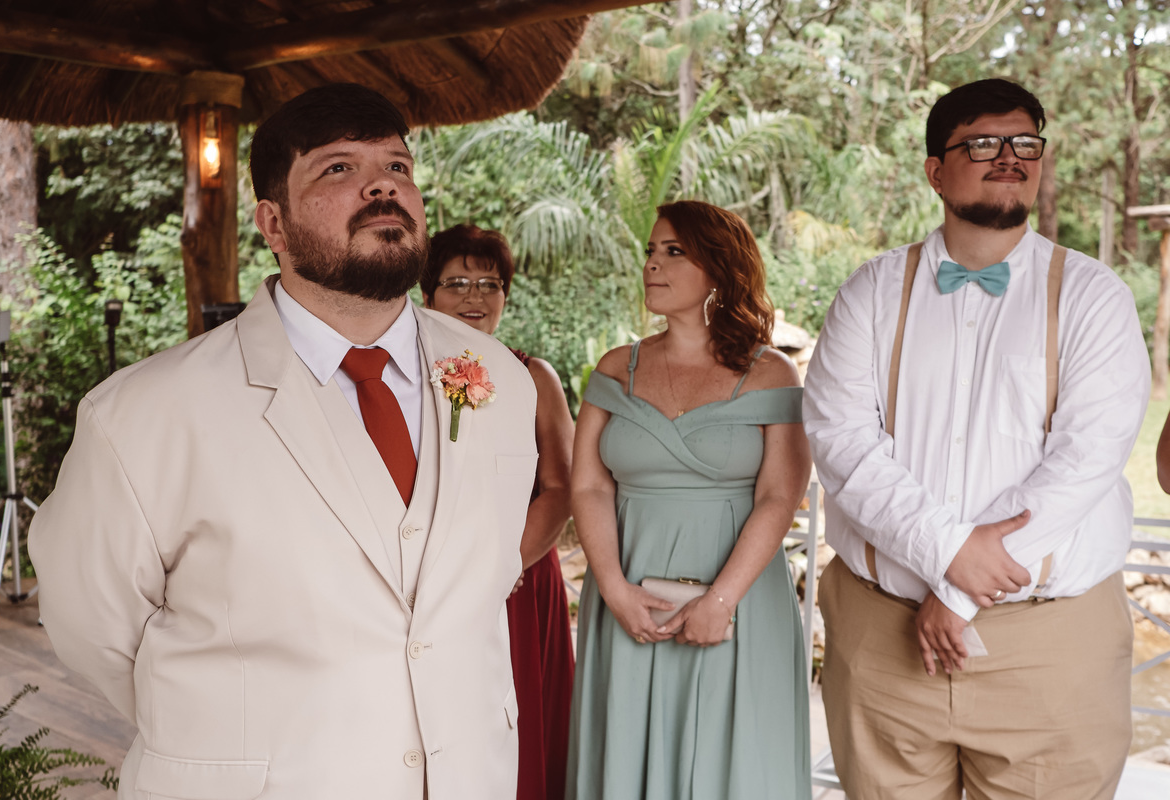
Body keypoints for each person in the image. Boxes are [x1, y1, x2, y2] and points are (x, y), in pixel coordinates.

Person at [28, 84, 538, 800]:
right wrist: (224, 728)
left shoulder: (501, 384)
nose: (384, 184)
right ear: (273, 222)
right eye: (338, 168)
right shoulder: (143, 413)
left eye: (398, 165)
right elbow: (93, 628)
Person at [803, 78, 1149, 799]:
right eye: (983, 143)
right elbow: (841, 444)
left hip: (1050, 652)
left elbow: (1086, 459)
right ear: (935, 169)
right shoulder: (868, 293)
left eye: (1026, 144)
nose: (1009, 158)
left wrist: (956, 593)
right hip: (882, 642)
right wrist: (949, 553)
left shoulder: (1094, 296)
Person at [566, 200, 812, 799]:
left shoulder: (770, 373)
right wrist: (615, 590)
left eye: (674, 251)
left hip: (740, 601)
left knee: (738, 762)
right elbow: (589, 484)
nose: (653, 263)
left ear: (719, 269)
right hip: (628, 597)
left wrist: (720, 600)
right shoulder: (615, 369)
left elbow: (781, 495)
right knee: (623, 753)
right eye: (651, 250)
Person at [421, 223, 576, 800]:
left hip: (518, 576)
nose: (473, 297)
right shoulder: (404, 375)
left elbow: (559, 489)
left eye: (490, 284)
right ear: (426, 293)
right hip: (430, 581)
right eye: (456, 282)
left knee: (516, 728)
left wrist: (499, 572)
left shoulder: (532, 375)